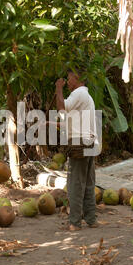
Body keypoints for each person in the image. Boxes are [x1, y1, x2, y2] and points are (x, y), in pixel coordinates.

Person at [55, 67, 98, 231]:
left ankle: (75, 222)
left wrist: (58, 88)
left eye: (69, 78)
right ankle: (91, 219)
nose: (67, 82)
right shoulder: (85, 96)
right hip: (88, 142)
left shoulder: (78, 93)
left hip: (79, 143)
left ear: (77, 77)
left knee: (75, 184)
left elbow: (61, 108)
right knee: (87, 182)